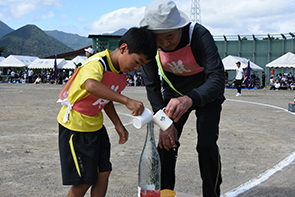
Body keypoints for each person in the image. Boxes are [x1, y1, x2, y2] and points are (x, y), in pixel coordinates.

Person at [57, 27, 157, 197]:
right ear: (124, 48)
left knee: (103, 173)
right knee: (84, 181)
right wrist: (127, 100)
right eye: (137, 61)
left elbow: (105, 98)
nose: (136, 68)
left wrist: (118, 124)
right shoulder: (97, 63)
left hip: (95, 127)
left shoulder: (120, 72)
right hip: (76, 128)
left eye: (141, 65)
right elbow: (92, 86)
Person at [140, 0, 225, 196]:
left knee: (206, 145)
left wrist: (189, 99)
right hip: (173, 93)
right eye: (158, 39)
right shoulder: (150, 46)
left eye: (170, 36)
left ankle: (211, 193)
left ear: (181, 26)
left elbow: (217, 78)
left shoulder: (199, 35)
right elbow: (152, 85)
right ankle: (166, 192)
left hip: (206, 92)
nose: (165, 44)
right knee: (166, 142)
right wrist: (163, 121)